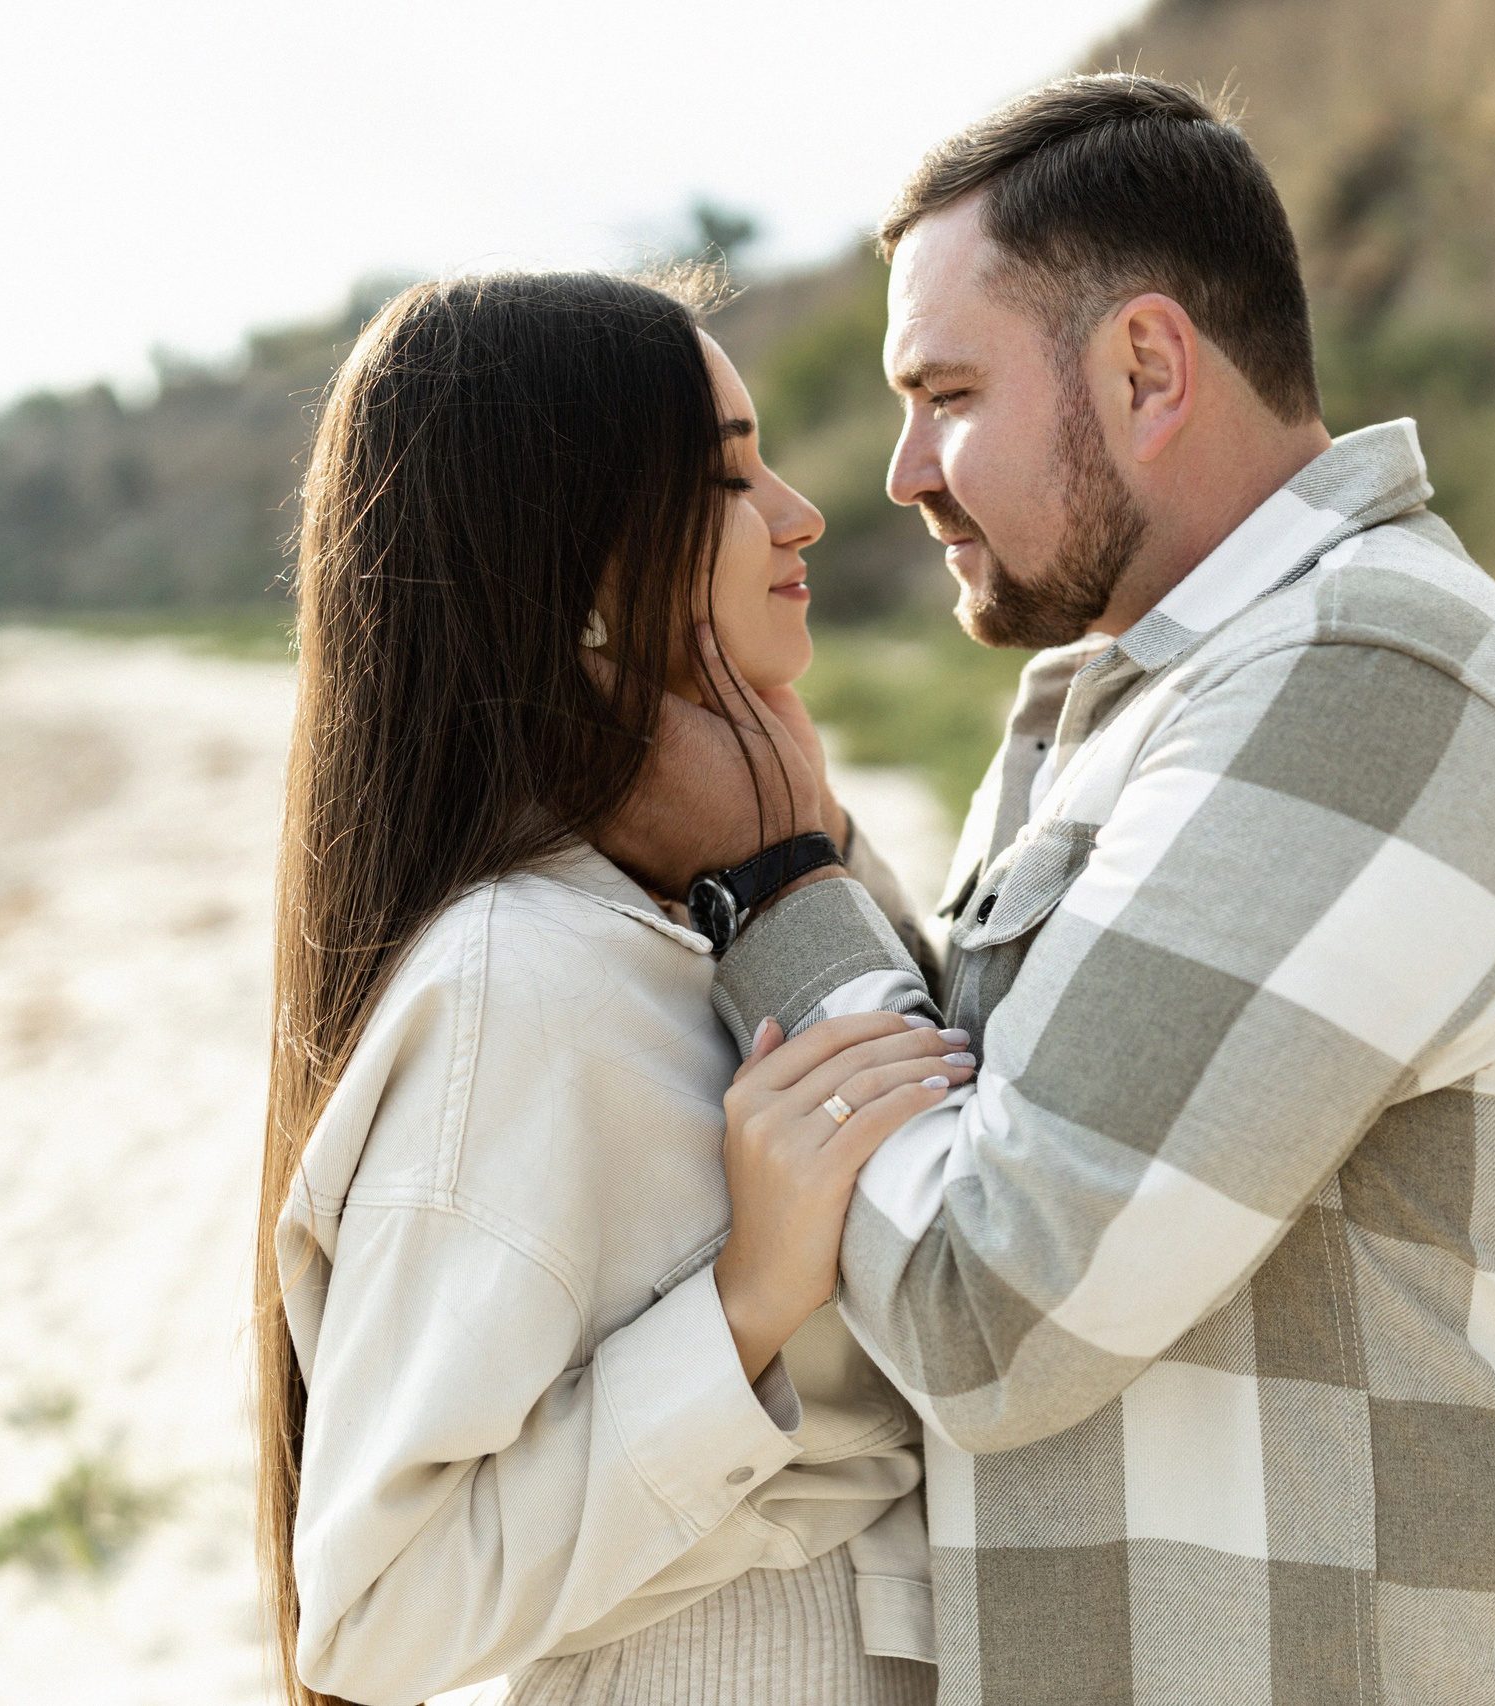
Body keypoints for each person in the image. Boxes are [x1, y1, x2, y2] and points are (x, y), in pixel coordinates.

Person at [605, 76, 1495, 1704]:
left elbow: (988, 1307)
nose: (901, 471)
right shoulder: (1166, 689)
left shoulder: (1369, 683)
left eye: (948, 394)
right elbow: (978, 1106)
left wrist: (771, 881)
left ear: (1148, 370)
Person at [252, 272, 963, 1706]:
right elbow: (373, 1608)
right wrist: (744, 1306)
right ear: (572, 559)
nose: (800, 513)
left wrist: (796, 853)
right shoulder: (521, 976)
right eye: (728, 478)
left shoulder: (729, 877)